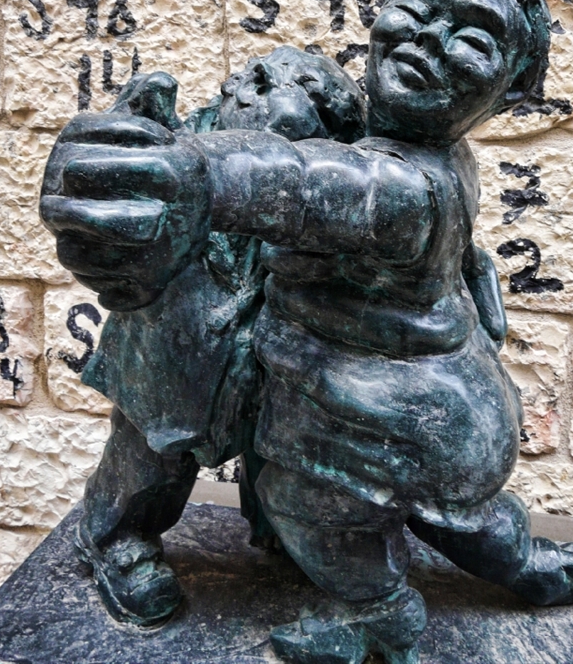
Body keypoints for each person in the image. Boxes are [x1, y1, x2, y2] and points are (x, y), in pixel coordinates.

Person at [41, 0, 573, 664]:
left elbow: (307, 182)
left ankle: (378, 610)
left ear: (503, 94)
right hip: (456, 406)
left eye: (472, 39)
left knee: (311, 507)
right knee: (453, 507)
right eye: (418, 12)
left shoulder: (402, 188)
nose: (429, 41)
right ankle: (519, 560)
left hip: (373, 412)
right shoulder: (433, 155)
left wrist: (192, 171)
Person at [52, 47, 366, 628]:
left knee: (279, 454)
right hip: (172, 353)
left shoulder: (326, 182)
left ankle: (277, 528)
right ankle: (114, 537)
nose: (262, 88)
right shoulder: (173, 145)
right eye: (267, 80)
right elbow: (110, 191)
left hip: (271, 360)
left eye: (312, 98)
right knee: (150, 461)